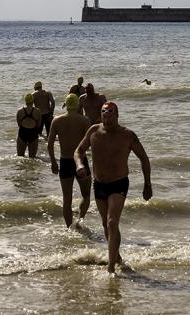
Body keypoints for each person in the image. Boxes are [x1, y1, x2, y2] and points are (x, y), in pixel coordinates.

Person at [74, 102, 152, 273]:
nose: (107, 118)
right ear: (101, 115)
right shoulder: (94, 131)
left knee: (112, 222)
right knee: (105, 224)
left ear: (117, 115)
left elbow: (144, 159)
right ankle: (116, 257)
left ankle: (110, 268)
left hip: (119, 183)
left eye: (110, 114)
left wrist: (147, 184)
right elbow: (78, 151)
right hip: (99, 183)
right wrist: (80, 165)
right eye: (104, 114)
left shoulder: (127, 135)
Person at [48, 94, 92, 228]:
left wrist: (53, 162)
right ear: (78, 105)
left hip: (65, 161)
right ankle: (80, 220)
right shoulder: (84, 120)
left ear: (66, 105)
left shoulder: (56, 121)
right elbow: (90, 143)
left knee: (67, 199)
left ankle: (69, 228)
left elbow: (49, 144)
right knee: (86, 194)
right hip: (81, 161)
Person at [17, 93, 42, 158]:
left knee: (20, 157)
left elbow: (19, 124)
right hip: (33, 133)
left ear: (25, 101)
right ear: (32, 101)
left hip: (23, 132)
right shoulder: (37, 111)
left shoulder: (19, 111)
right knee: (32, 158)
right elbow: (38, 125)